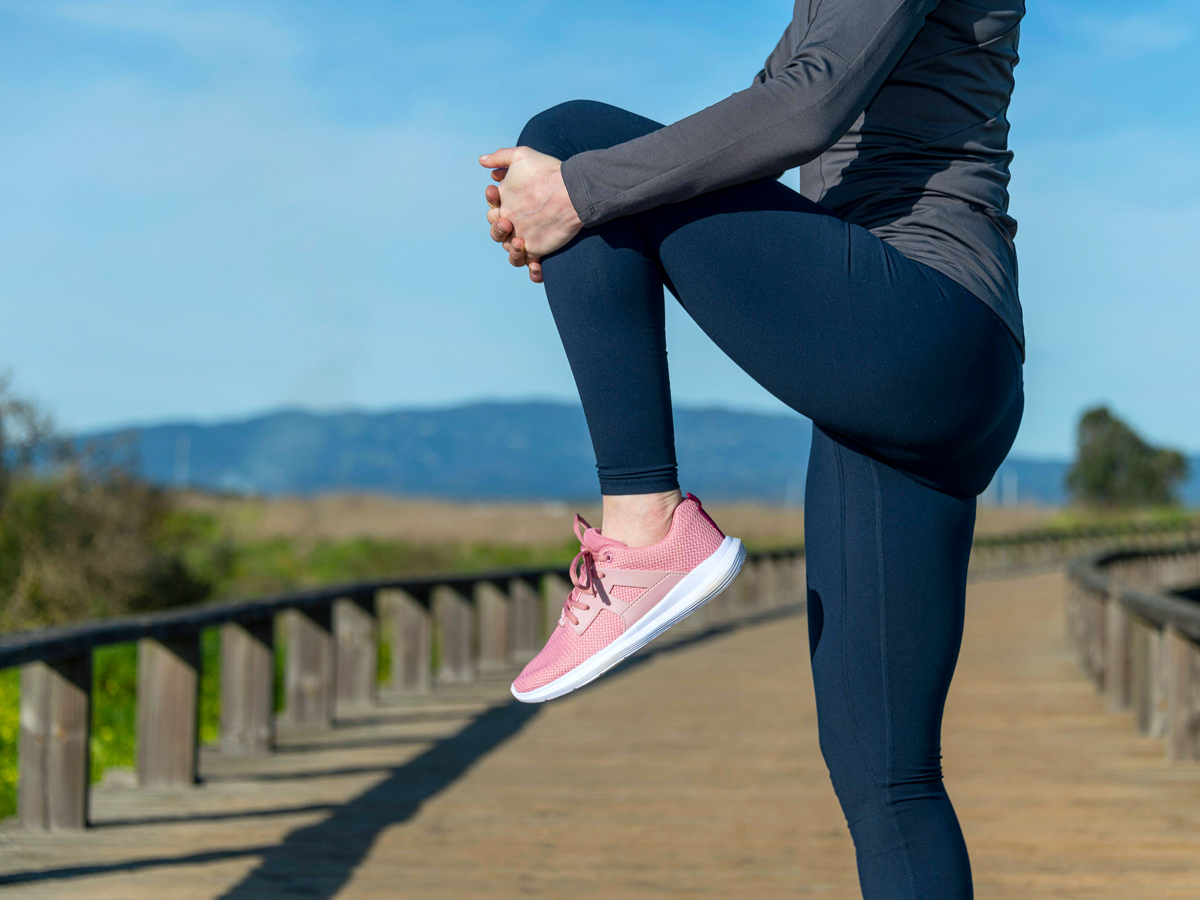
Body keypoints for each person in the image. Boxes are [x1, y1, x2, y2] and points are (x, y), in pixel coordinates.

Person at [480, 0, 1024, 895]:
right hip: (918, 370)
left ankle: (646, 526)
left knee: (569, 141)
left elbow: (806, 108)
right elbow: (774, 100)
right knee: (889, 782)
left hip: (921, 319)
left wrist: (578, 191)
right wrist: (578, 207)